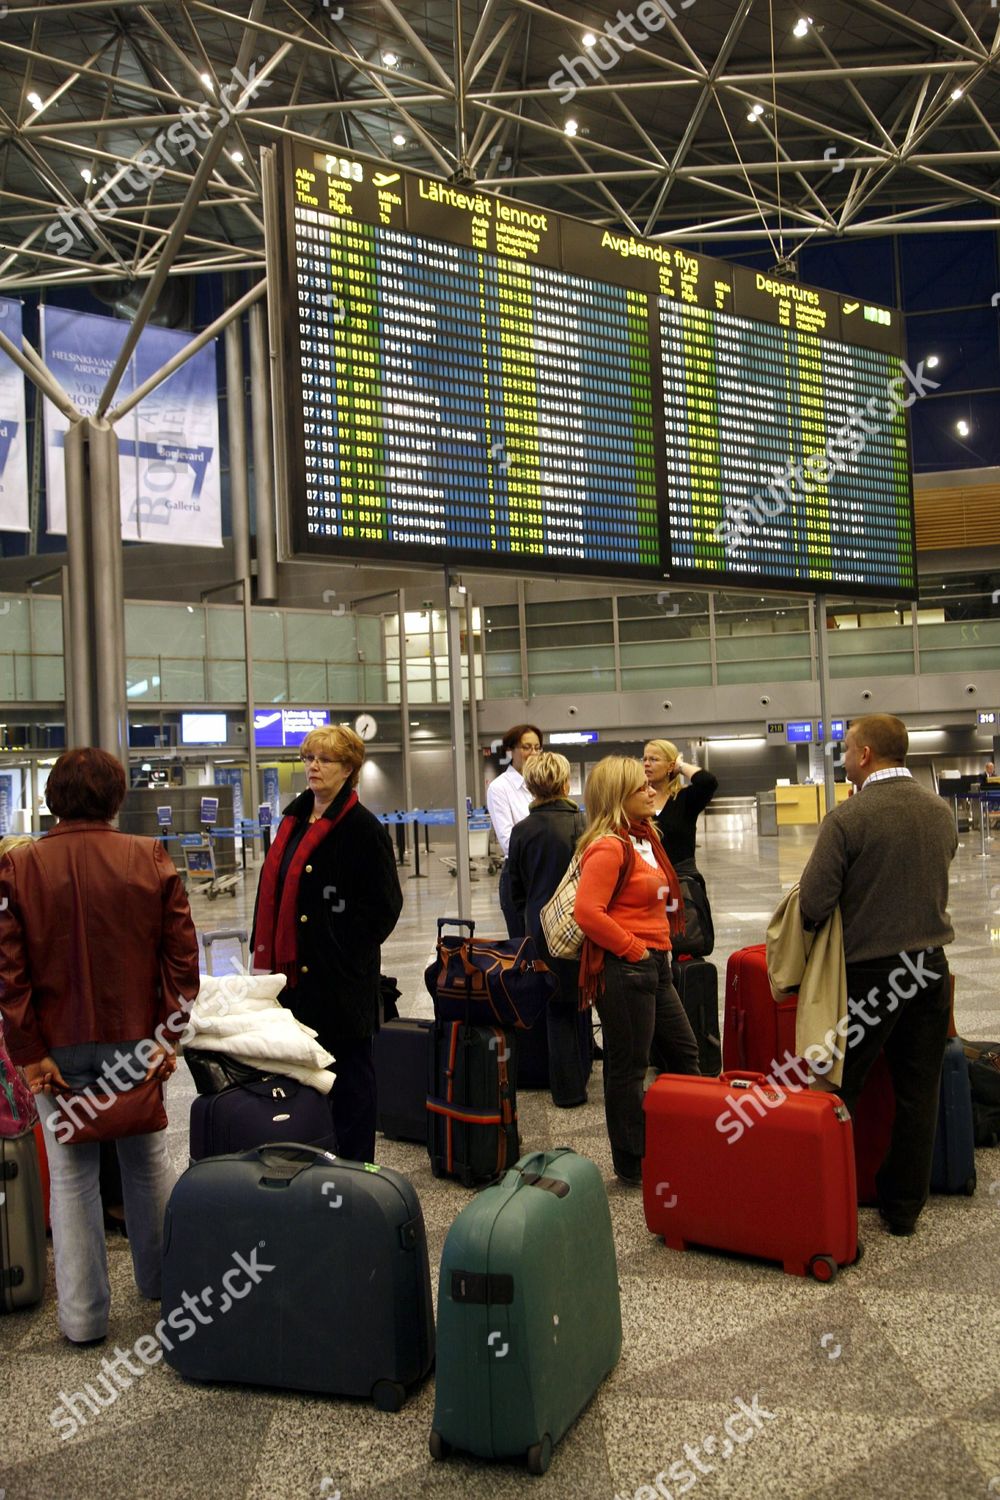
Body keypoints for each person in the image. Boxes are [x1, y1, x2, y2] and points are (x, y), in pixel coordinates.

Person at [0, 747, 199, 1345]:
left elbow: (9, 973)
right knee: (145, 1166)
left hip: (56, 1050)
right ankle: (163, 1287)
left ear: (51, 799)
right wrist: (169, 1034)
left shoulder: (19, 868)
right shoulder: (149, 857)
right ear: (118, 798)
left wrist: (30, 1052)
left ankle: (83, 1320)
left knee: (71, 1179)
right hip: (135, 1043)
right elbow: (182, 957)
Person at [798, 714, 958, 1237]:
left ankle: (827, 1199)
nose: (843, 758)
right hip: (930, 967)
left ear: (865, 755)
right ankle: (903, 1207)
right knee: (918, 1092)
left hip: (872, 976)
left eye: (846, 749)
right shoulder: (939, 811)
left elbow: (815, 901)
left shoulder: (850, 817)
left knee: (840, 1090)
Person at [251, 724, 402, 1163]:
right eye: (308, 758)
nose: (313, 767)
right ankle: (310, 1158)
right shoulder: (293, 821)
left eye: (325, 760)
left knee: (350, 1078)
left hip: (340, 982)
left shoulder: (361, 829)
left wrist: (340, 945)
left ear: (349, 769)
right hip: (290, 978)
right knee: (300, 1075)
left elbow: (383, 908)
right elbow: (273, 892)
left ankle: (355, 1167)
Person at [573, 757, 700, 1184]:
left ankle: (682, 1139)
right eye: (640, 788)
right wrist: (632, 948)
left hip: (655, 965)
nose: (651, 791)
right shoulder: (609, 846)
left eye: (649, 785)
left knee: (684, 1054)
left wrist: (659, 938)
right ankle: (632, 1163)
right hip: (627, 970)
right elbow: (587, 913)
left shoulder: (648, 839)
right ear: (617, 799)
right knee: (628, 1069)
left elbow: (659, 897)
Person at [508, 751, 589, 1108]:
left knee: (554, 1004)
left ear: (530, 786)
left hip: (539, 929)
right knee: (580, 998)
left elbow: (516, 890)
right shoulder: (583, 824)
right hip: (581, 922)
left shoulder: (522, 830)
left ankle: (560, 1081)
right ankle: (574, 1082)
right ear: (565, 783)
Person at [485, 722, 542, 937]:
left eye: (537, 748)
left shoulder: (541, 783)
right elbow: (509, 841)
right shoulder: (500, 788)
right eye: (527, 747)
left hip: (544, 874)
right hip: (520, 876)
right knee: (523, 948)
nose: (533, 753)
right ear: (511, 750)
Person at [643, 740, 718, 876]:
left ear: (670, 766)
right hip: (648, 880)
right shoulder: (639, 799)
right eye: (645, 759)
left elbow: (707, 781)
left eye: (654, 759)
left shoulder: (684, 798)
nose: (647, 764)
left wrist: (680, 766)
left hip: (681, 882)